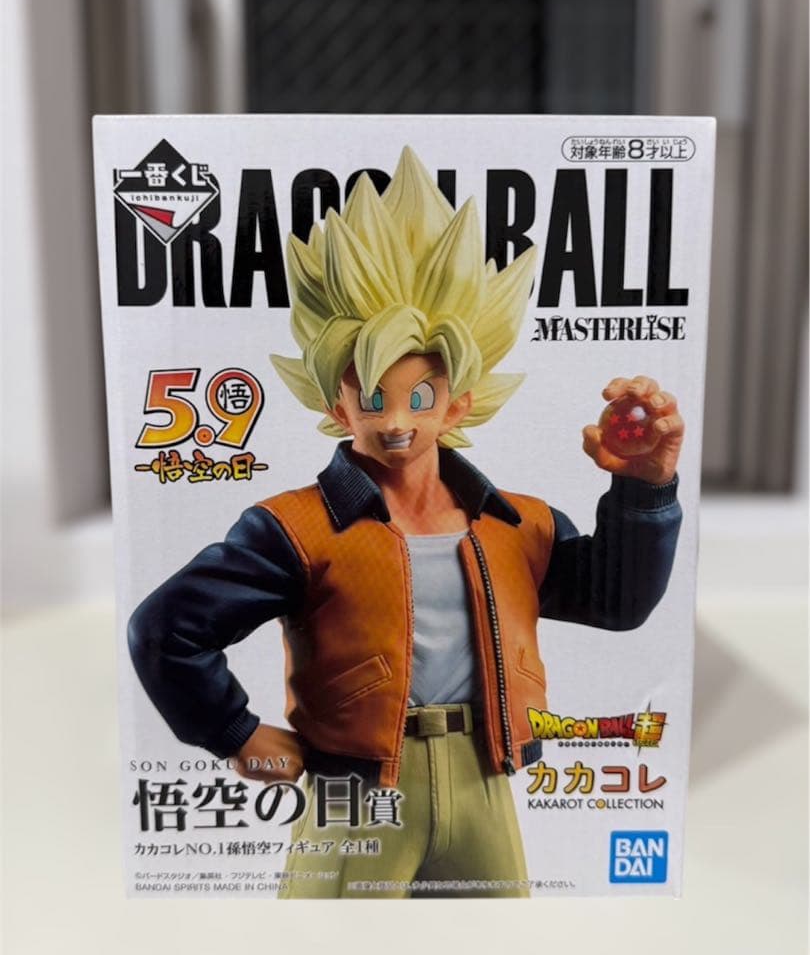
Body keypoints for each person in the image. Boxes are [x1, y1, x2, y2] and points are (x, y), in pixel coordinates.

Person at [129, 147, 683, 898]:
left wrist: (645, 488)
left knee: (497, 951)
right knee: (325, 952)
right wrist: (233, 732)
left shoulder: (516, 525)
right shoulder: (296, 529)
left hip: (485, 775)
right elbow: (166, 629)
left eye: (421, 398)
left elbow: (618, 603)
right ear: (337, 405)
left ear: (459, 405)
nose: (396, 422)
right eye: (372, 397)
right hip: (358, 789)